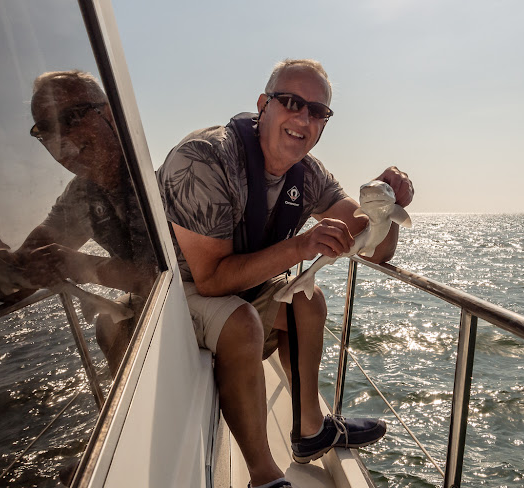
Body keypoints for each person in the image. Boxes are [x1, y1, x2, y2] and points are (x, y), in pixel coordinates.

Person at [157, 59, 414, 488]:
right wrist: (299, 246)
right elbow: (211, 281)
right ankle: (263, 474)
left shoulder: (309, 175)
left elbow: (373, 249)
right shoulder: (204, 159)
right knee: (241, 322)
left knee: (307, 299)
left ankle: (309, 430)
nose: (303, 117)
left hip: (238, 282)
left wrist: (385, 208)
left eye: (317, 111)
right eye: (291, 102)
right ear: (263, 106)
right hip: (174, 289)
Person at [15, 70, 156, 376]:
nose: (61, 139)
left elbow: (160, 276)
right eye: (46, 129)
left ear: (110, 114)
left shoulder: (151, 177)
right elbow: (22, 271)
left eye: (73, 117)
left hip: (203, 294)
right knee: (109, 328)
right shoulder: (82, 192)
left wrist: (78, 265)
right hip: (160, 302)